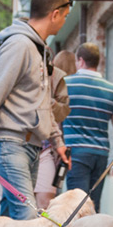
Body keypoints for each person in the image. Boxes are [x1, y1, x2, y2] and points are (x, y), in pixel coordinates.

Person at [0, 0, 72, 220]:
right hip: (10, 144)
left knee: (10, 221)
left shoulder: (40, 50)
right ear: (54, 14)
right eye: (65, 16)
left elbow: (44, 104)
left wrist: (58, 142)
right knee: (27, 217)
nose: (64, 21)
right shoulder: (19, 45)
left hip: (31, 145)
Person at [62, 42, 113, 212]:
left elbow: (54, 117)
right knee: (93, 206)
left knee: (76, 208)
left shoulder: (66, 84)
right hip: (101, 155)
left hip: (76, 153)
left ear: (81, 60)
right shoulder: (112, 90)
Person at [34, 49, 75, 209]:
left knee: (45, 203)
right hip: (24, 144)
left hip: (49, 148)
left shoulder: (59, 85)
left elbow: (56, 117)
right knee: (22, 206)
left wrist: (59, 145)